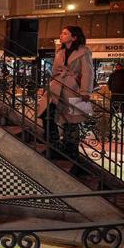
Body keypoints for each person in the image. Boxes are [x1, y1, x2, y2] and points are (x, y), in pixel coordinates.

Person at [48, 25, 94, 164]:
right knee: (48, 114)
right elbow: (55, 70)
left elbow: (88, 72)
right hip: (57, 87)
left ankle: (71, 150)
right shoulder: (60, 51)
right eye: (62, 33)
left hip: (73, 88)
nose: (61, 35)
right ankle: (57, 144)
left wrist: (85, 91)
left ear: (74, 37)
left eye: (65, 33)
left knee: (71, 121)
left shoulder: (84, 52)